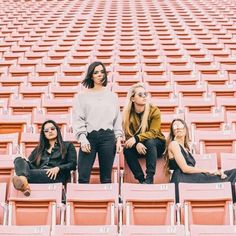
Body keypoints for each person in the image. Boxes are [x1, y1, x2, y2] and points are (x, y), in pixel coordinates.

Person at [72, 61, 123, 184]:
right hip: (89, 137)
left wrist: (119, 140)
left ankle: (107, 202)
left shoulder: (112, 96)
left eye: (102, 71)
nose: (100, 74)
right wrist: (83, 139)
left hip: (108, 137)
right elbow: (78, 119)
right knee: (83, 177)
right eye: (96, 72)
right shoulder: (81, 97)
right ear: (91, 76)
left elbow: (117, 120)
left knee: (106, 178)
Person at [164, 118, 236, 202]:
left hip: (189, 177)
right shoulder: (174, 144)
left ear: (185, 129)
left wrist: (212, 172)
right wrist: (209, 171)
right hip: (182, 179)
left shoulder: (186, 149)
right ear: (173, 131)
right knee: (224, 177)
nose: (178, 128)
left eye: (180, 125)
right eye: (175, 126)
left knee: (231, 174)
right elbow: (185, 168)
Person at [12, 120, 77, 196]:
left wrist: (58, 168)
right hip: (39, 172)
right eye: (46, 131)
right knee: (18, 158)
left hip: (56, 175)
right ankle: (24, 181)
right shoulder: (39, 149)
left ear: (57, 130)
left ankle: (23, 182)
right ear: (44, 134)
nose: (50, 131)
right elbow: (29, 163)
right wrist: (22, 160)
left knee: (25, 174)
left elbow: (73, 164)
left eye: (52, 129)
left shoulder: (68, 145)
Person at [122, 82, 166, 184]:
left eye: (145, 94)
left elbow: (153, 132)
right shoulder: (127, 114)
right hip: (140, 146)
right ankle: (141, 179)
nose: (144, 97)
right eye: (140, 95)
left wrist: (137, 139)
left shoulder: (154, 111)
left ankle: (149, 177)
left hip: (157, 145)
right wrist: (137, 143)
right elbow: (128, 135)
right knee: (127, 149)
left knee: (150, 142)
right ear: (132, 99)